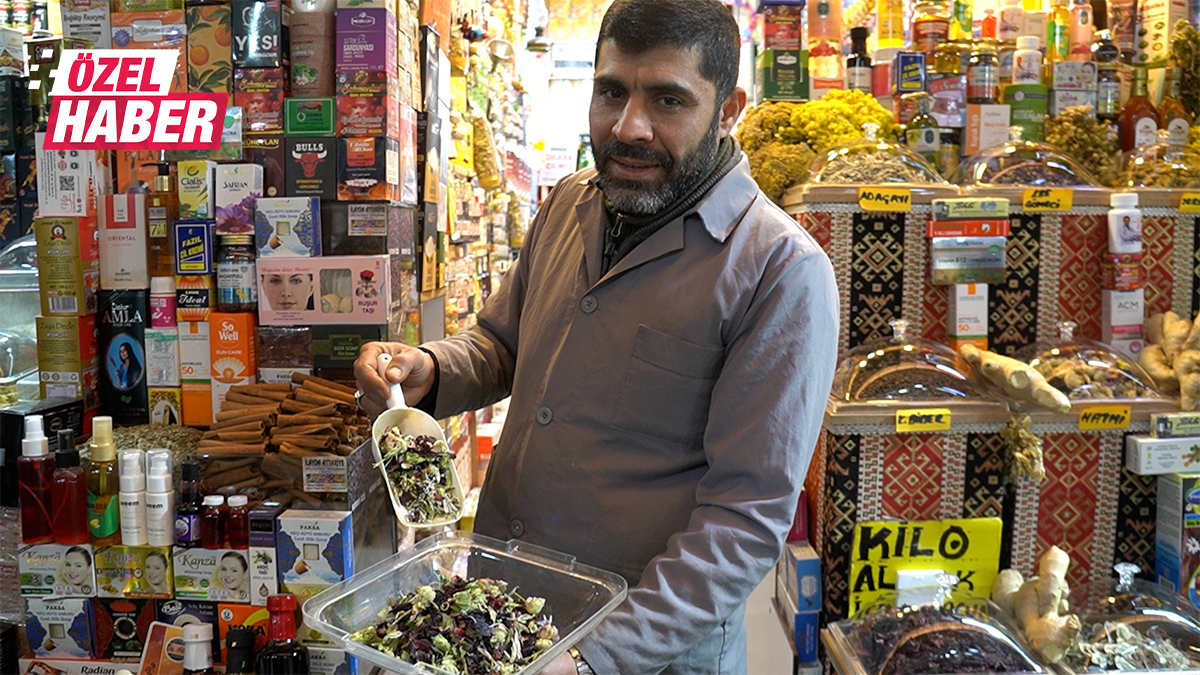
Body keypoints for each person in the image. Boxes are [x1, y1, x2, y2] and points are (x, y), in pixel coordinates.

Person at [354, 1, 838, 672]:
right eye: (611, 91)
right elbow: (503, 344)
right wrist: (430, 368)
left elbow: (743, 522)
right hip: (506, 612)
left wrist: (591, 657)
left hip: (640, 649)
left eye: (667, 100)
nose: (628, 126)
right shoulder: (568, 204)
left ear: (730, 109)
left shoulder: (780, 273)